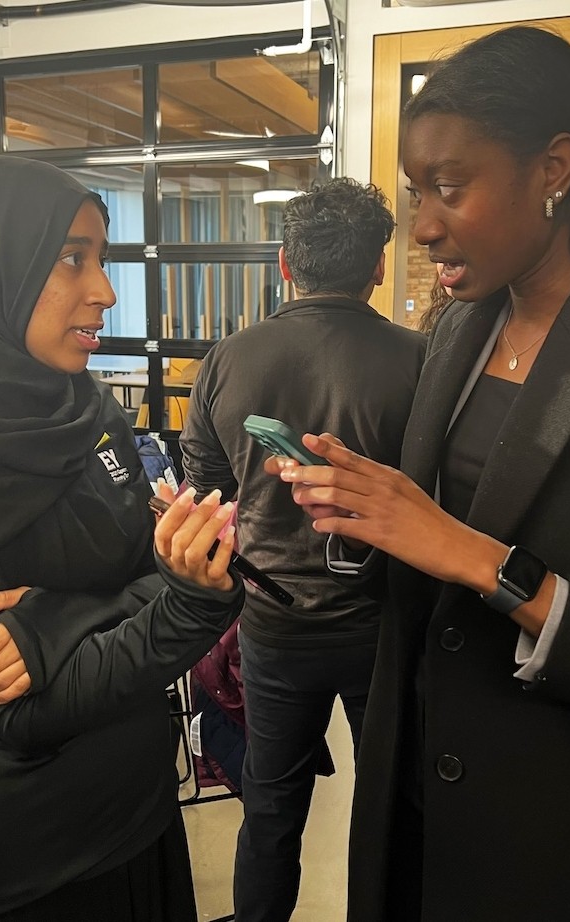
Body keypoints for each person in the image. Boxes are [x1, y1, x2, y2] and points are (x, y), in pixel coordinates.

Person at [270, 26, 570, 922]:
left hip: (569, 842)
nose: (423, 225)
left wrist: (486, 562)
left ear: (553, 169)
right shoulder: (461, 327)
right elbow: (429, 577)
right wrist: (359, 513)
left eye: (450, 187)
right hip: (420, 810)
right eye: (417, 193)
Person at [0, 155, 245, 922]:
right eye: (71, 259)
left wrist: (56, 618)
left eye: (101, 258)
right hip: (18, 861)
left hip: (138, 811)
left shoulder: (86, 410)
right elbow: (26, 713)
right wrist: (189, 605)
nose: (105, 290)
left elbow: (149, 563)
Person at [180, 177, 426, 922]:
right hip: (385, 626)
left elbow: (205, 489)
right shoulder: (422, 360)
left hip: (272, 624)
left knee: (271, 802)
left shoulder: (228, 358)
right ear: (377, 266)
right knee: (393, 803)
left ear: (286, 264)